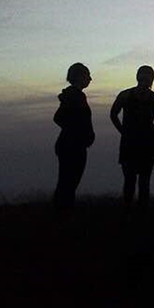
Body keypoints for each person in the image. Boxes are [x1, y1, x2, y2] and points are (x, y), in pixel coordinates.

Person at [110, 65, 154, 210]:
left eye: (148, 76)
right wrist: (123, 131)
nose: (146, 79)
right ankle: (135, 214)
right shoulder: (129, 96)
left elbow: (113, 114)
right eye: (144, 76)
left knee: (139, 181)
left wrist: (124, 131)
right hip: (134, 142)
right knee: (134, 181)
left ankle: (137, 215)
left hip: (141, 143)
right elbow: (113, 114)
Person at [53, 63, 95, 211]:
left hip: (70, 144)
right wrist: (77, 133)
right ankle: (62, 215)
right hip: (73, 146)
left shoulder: (72, 95)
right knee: (68, 183)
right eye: (87, 75)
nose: (90, 79)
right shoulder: (75, 96)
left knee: (66, 182)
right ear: (79, 77)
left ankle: (61, 213)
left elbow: (59, 118)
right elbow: (59, 118)